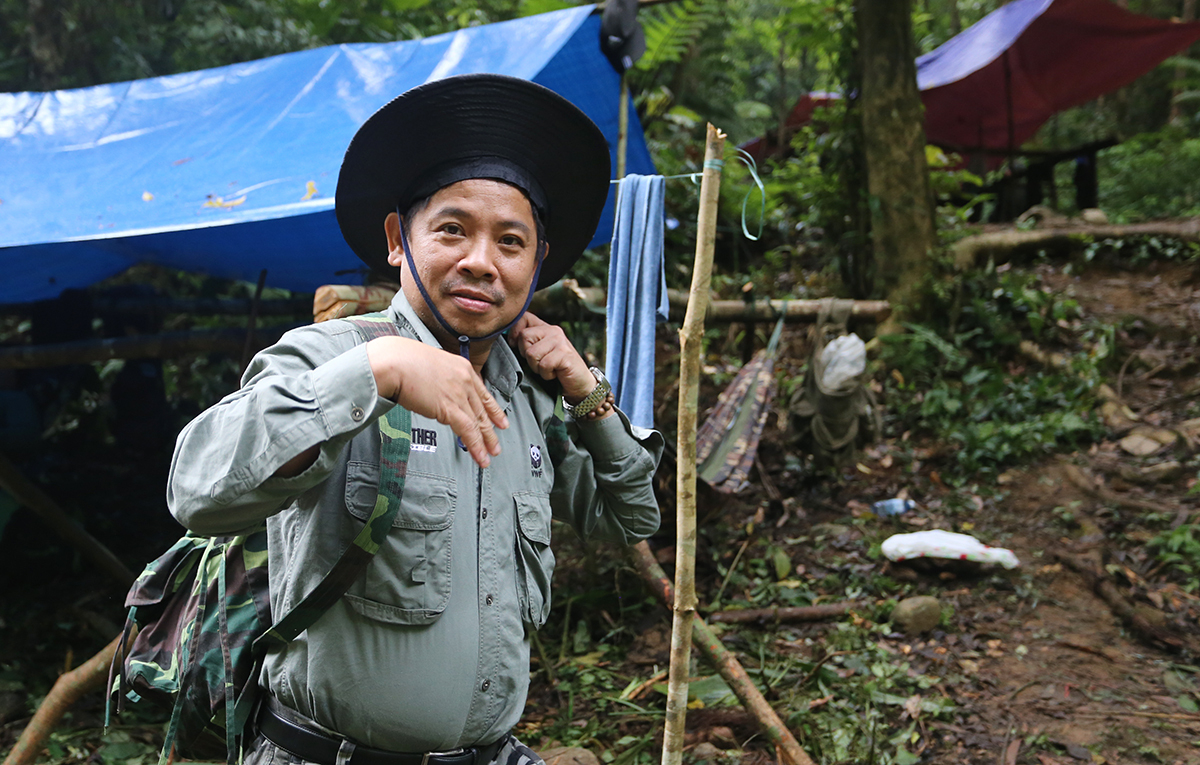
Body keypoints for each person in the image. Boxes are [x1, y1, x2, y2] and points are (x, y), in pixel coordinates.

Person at [167, 74, 663, 765]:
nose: (481, 262)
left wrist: (587, 393)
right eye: (453, 229)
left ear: (537, 263)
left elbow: (632, 517)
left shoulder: (527, 392)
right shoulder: (331, 357)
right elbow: (196, 488)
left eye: (510, 242)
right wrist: (378, 373)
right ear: (399, 239)